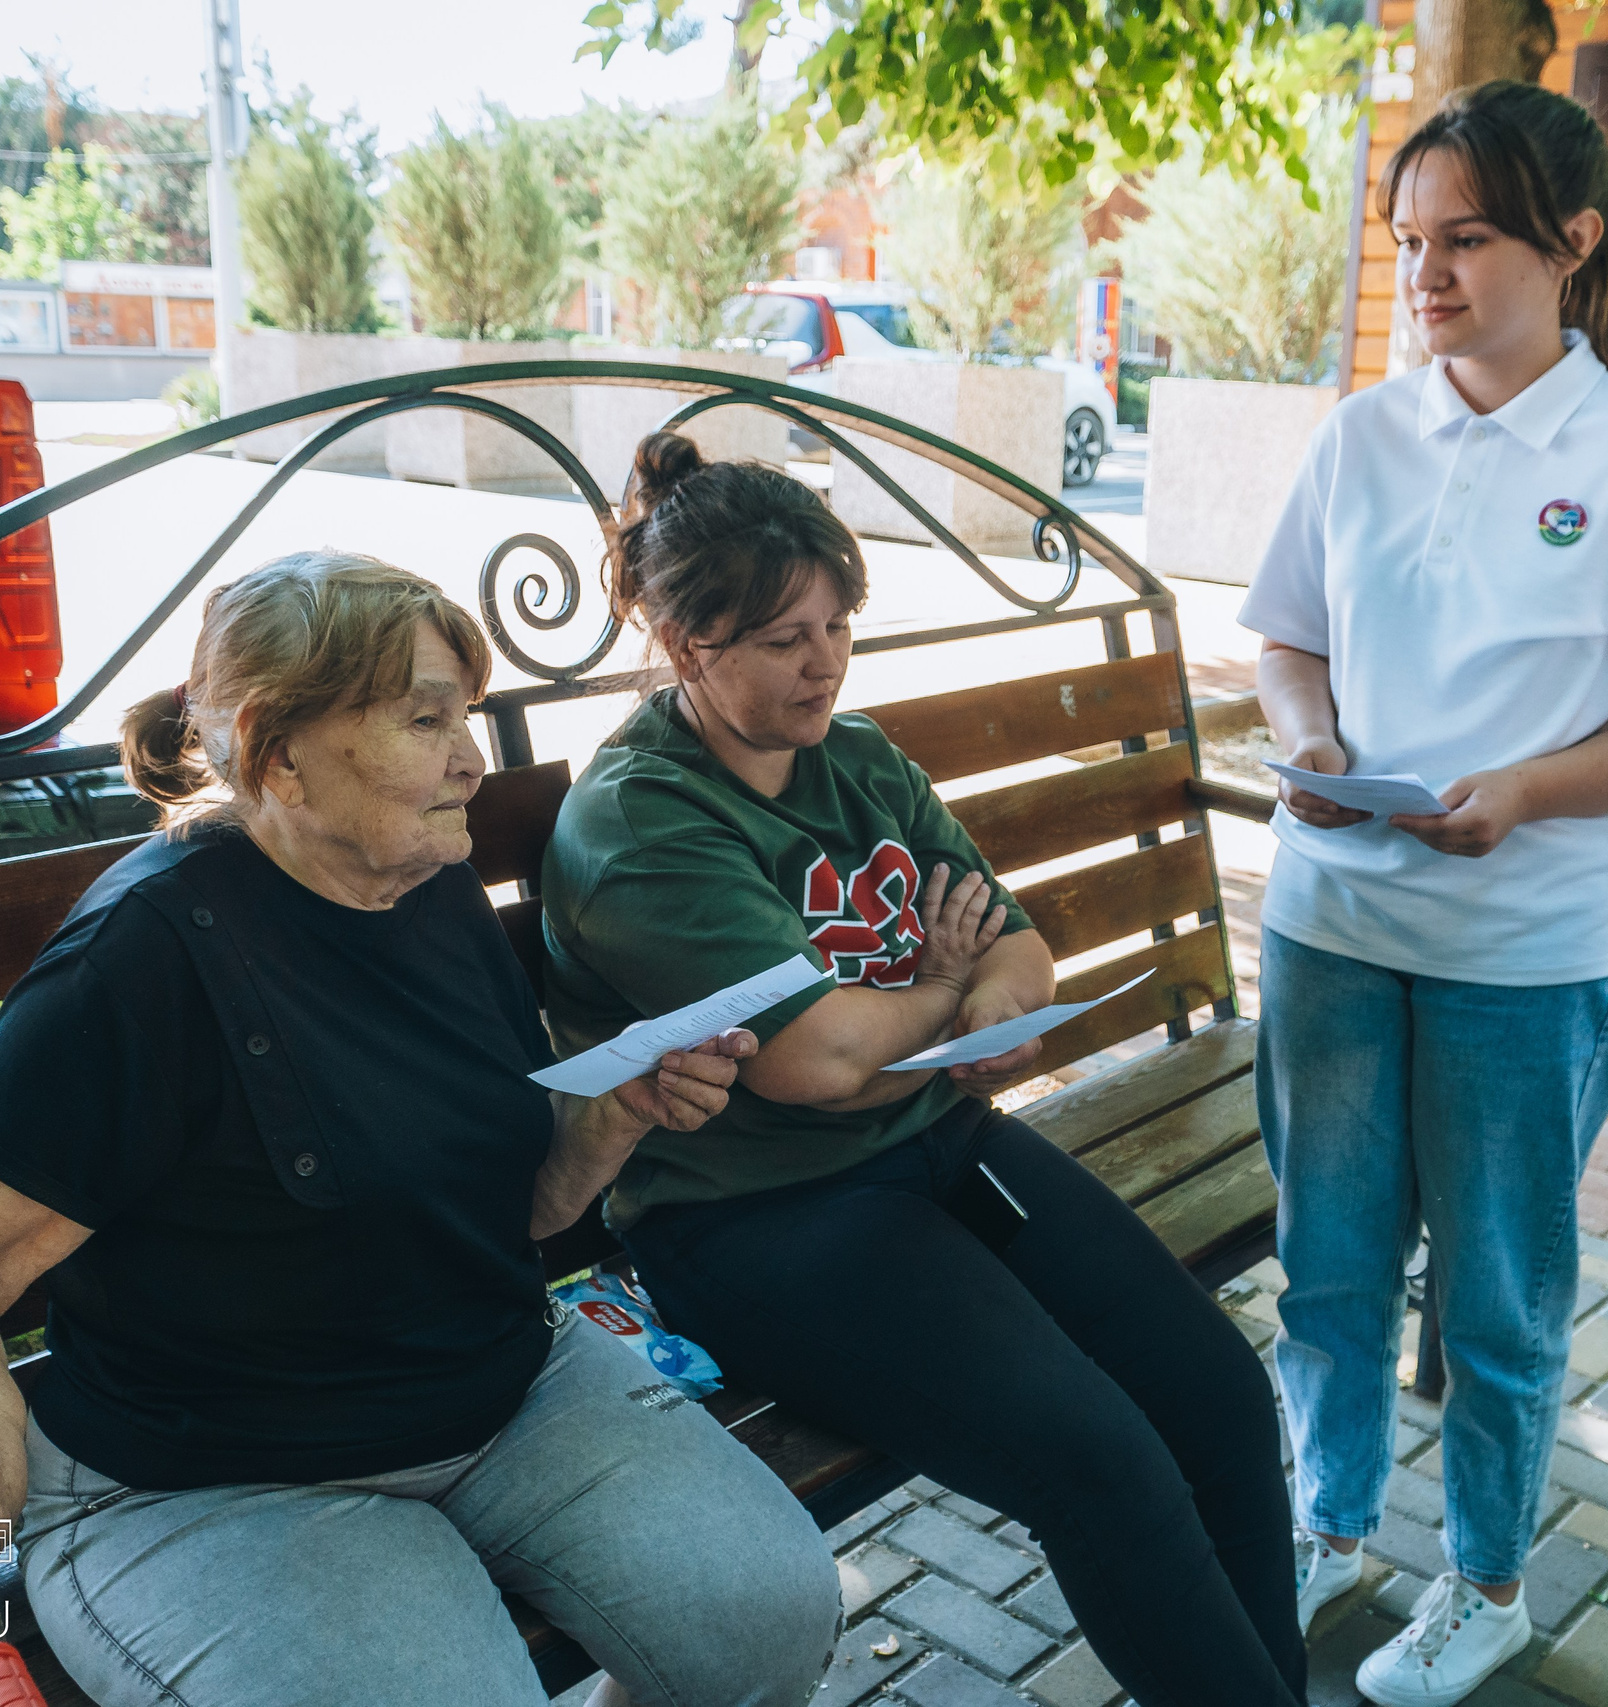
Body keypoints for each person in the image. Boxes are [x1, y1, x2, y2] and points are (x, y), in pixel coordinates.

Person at [0, 553, 843, 1707]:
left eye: (467, 717)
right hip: (217, 1480)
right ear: (278, 753)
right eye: (426, 721)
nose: (470, 760)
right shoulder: (144, 959)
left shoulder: (425, 881)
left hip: (505, 1389)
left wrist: (603, 1124)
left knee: (771, 1619)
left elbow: (514, 1213)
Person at [540, 433, 1308, 1707]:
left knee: (1218, 1399)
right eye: (783, 639)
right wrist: (947, 1003)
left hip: (934, 1150)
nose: (824, 661)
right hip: (759, 1220)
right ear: (685, 643)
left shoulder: (860, 762)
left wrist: (949, 1016)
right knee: (1101, 1463)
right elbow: (810, 1060)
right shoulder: (642, 822)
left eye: (837, 625)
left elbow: (1018, 954)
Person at [1241, 79, 1608, 1706]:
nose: (1426, 274)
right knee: (1328, 1266)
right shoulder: (1362, 434)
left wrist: (1525, 789)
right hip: (1331, 925)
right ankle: (1324, 1527)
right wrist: (1314, 738)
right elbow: (1287, 635)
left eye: (1465, 239)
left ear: (1573, 241)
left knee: (1499, 1300)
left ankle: (1487, 1584)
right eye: (1409, 241)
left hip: (1523, 955)